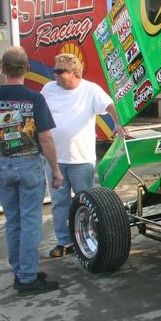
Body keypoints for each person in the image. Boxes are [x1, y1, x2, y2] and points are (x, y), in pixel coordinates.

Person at [0, 47, 63, 296]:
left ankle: (21, 270)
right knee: (31, 220)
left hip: (3, 163)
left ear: (3, 68)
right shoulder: (34, 99)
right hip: (29, 164)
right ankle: (27, 277)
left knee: (13, 221)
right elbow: (45, 138)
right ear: (26, 69)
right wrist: (55, 169)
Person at [41, 53, 124, 258]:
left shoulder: (90, 89)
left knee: (87, 202)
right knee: (59, 202)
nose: (56, 75)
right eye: (55, 70)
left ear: (75, 72)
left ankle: (91, 238)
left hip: (81, 159)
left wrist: (118, 123)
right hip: (55, 160)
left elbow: (110, 105)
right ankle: (64, 242)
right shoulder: (49, 89)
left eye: (60, 71)